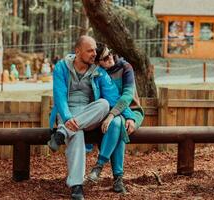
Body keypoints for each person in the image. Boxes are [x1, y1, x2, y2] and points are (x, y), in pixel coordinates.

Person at [48, 36, 135, 200]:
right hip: (68, 112)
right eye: (90, 51)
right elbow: (59, 95)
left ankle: (61, 134)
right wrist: (67, 118)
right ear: (77, 51)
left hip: (89, 113)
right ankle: (76, 186)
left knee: (102, 104)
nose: (94, 54)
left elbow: (113, 97)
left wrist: (130, 117)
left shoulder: (98, 72)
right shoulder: (61, 67)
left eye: (95, 50)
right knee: (77, 133)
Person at [87, 42, 144, 193]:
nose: (110, 58)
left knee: (118, 124)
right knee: (117, 125)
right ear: (97, 62)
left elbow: (127, 96)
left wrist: (113, 115)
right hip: (108, 113)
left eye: (110, 53)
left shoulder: (126, 67)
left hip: (131, 111)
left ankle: (99, 166)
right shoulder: (98, 74)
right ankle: (118, 179)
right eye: (105, 58)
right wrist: (109, 115)